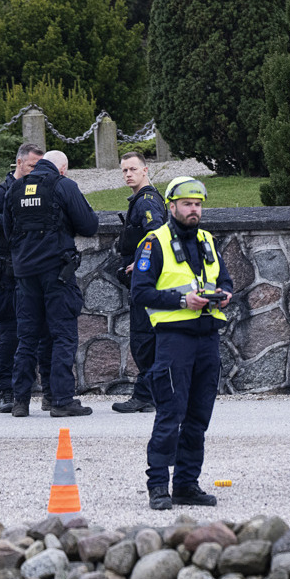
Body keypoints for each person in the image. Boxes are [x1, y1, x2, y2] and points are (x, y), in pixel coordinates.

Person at [132, 176, 232, 510]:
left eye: (198, 205)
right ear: (171, 206)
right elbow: (140, 292)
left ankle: (186, 485)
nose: (194, 210)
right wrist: (180, 301)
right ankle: (158, 486)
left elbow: (225, 279)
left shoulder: (207, 239)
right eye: (188, 204)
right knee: (169, 415)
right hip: (174, 340)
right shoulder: (154, 242)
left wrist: (225, 294)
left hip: (207, 338)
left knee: (198, 417)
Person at [3, 149, 99, 417]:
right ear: (63, 168)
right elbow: (89, 225)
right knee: (62, 334)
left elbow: (8, 229)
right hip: (57, 273)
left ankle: (20, 401)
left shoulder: (15, 188)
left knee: (27, 337)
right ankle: (61, 400)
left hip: (24, 274)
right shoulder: (63, 185)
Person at [0, 143, 52, 412]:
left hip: (33, 272)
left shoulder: (40, 192)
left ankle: (34, 389)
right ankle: (6, 390)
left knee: (39, 334)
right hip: (8, 274)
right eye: (31, 166)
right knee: (9, 334)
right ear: (18, 163)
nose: (35, 172)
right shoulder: (1, 193)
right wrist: (7, 219)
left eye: (40, 167)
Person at [112, 152, 167, 413]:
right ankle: (150, 394)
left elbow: (156, 232)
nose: (128, 174)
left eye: (133, 169)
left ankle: (145, 395)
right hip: (145, 279)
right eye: (124, 170)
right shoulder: (141, 199)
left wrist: (142, 262)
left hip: (146, 282)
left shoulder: (146, 201)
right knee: (146, 340)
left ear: (146, 170)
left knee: (144, 340)